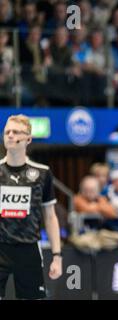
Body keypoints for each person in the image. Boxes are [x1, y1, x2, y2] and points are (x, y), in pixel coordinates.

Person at [0, 114, 62, 300]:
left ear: (28, 139)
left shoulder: (42, 173)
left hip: (28, 251)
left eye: (16, 132)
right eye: (7, 132)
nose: (10, 135)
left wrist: (57, 256)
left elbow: (50, 217)